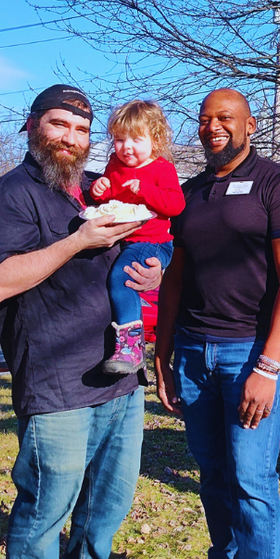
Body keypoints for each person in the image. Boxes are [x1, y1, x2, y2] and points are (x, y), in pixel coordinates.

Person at [0, 84, 163, 559]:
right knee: (45, 507)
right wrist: (79, 239)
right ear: (32, 126)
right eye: (59, 126)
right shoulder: (7, 196)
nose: (71, 139)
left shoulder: (90, 190)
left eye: (81, 130)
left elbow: (125, 263)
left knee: (110, 498)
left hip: (117, 372)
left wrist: (154, 270)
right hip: (54, 379)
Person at [154, 88, 280, 559]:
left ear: (250, 124)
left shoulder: (279, 185)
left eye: (225, 118)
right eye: (205, 120)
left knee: (252, 482)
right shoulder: (190, 195)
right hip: (193, 354)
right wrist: (163, 353)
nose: (213, 128)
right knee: (214, 478)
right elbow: (176, 279)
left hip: (249, 353)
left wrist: (268, 366)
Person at [88, 100, 184, 375]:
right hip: (124, 241)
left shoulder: (161, 169)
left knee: (121, 278)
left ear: (155, 140)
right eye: (119, 139)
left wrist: (145, 191)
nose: (126, 147)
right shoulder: (115, 165)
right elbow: (109, 200)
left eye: (136, 139)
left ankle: (131, 348)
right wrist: (99, 189)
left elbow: (175, 205)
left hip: (152, 241)